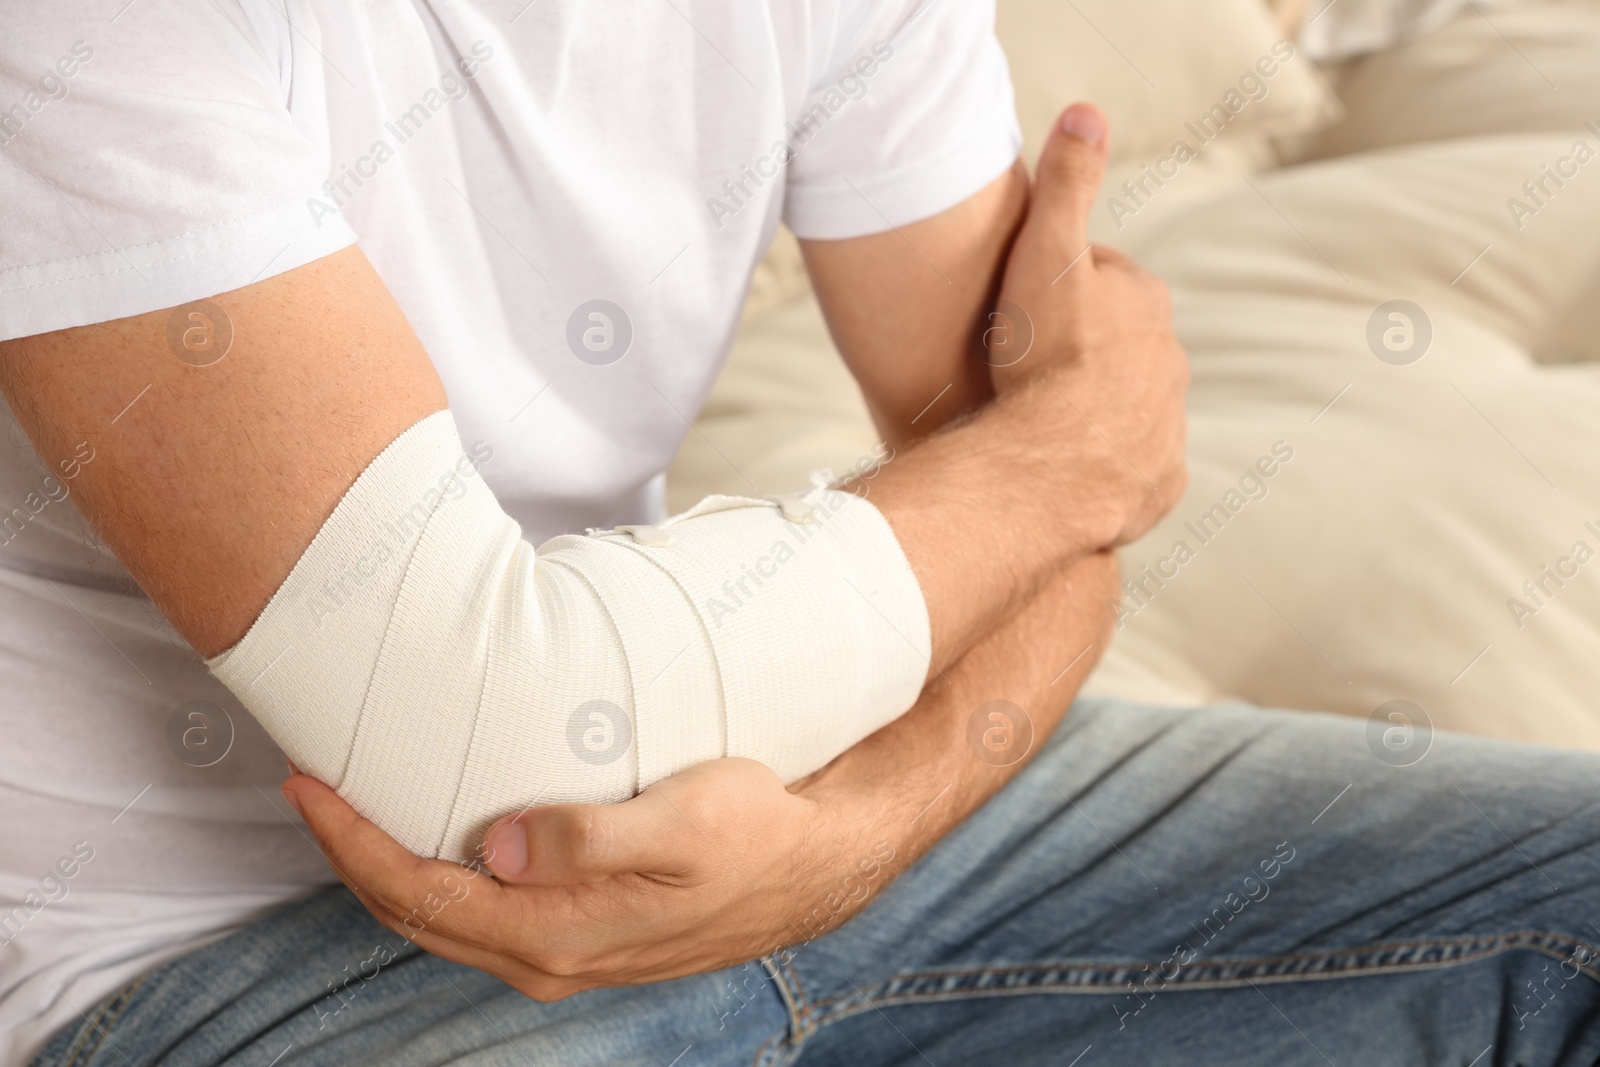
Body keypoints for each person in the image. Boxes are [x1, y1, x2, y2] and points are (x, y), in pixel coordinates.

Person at [1, 4, 1596, 1066]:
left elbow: (1053, 548)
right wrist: (1058, 462)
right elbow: (487, 738)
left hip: (753, 806)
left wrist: (853, 836)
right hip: (198, 969)